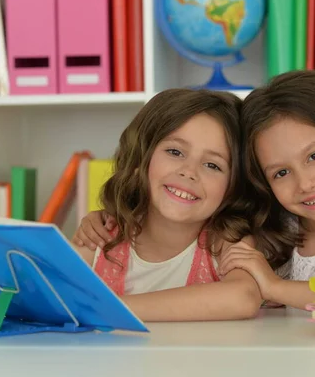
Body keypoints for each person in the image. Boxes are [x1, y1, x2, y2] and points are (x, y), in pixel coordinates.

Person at [77, 71, 315, 310]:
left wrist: (275, 288)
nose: (304, 183)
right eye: (281, 172)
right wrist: (106, 216)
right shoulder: (277, 229)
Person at [73, 88, 262, 321]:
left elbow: (242, 297)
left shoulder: (226, 240)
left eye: (213, 165)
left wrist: (107, 308)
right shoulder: (100, 238)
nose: (189, 172)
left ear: (234, 186)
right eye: (175, 152)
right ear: (141, 158)